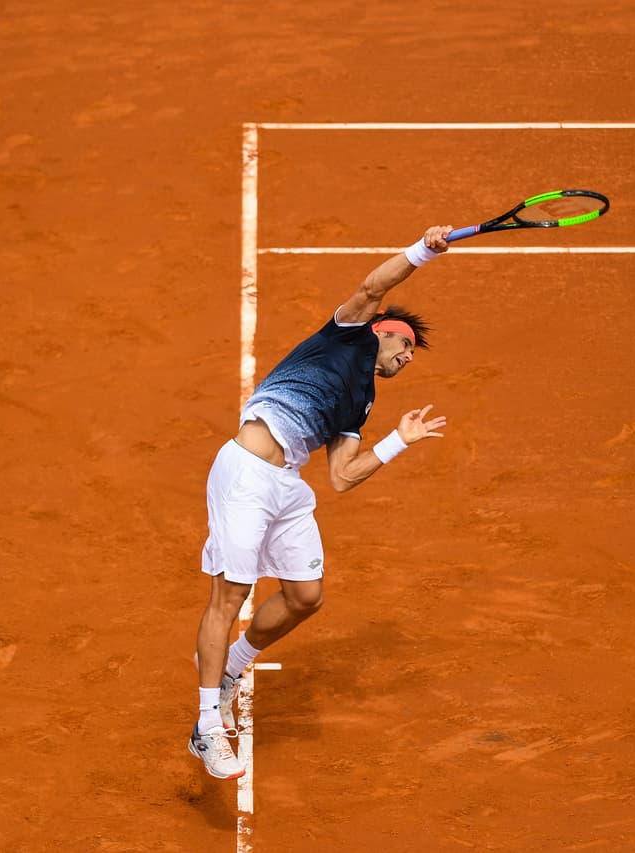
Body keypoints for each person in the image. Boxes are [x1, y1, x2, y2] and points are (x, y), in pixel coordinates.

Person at [188, 225, 453, 779]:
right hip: (245, 473)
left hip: (286, 483)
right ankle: (207, 726)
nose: (408, 357)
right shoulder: (347, 333)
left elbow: (342, 476)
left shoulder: (361, 399)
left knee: (306, 596)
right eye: (404, 344)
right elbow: (375, 282)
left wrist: (398, 440)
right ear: (380, 330)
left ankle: (233, 668)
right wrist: (423, 250)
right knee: (229, 597)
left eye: (411, 354)